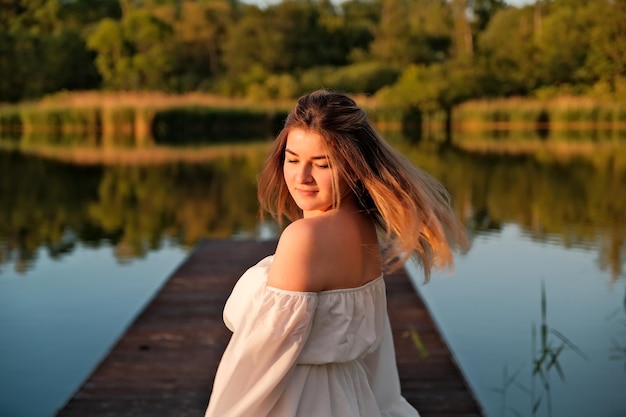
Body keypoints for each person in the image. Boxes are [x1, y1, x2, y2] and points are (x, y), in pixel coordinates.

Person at [204, 89, 467, 417]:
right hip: (350, 399)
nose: (302, 178)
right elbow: (375, 360)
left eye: (321, 164)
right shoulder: (363, 229)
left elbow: (255, 369)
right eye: (293, 158)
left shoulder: (304, 238)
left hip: (296, 403)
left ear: (354, 167)